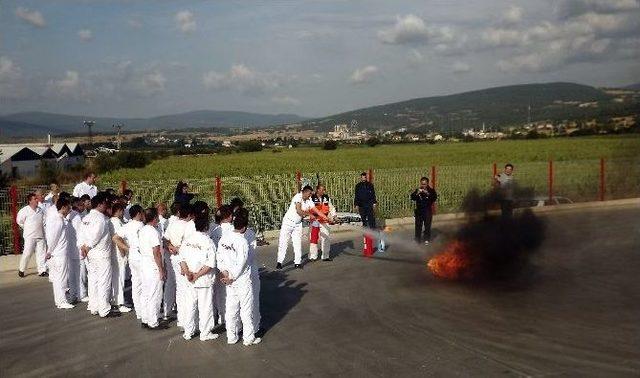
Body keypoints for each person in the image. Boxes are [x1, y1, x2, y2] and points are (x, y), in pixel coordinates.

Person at [217, 209, 261, 346]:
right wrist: (232, 276)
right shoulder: (242, 242)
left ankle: (231, 337)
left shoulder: (225, 238)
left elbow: (219, 257)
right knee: (246, 309)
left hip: (229, 279)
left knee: (231, 309)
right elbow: (242, 262)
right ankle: (248, 338)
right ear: (244, 227)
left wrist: (224, 272)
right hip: (241, 280)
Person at [179, 215, 219, 341]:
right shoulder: (208, 242)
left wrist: (188, 273)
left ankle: (188, 332)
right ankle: (205, 333)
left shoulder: (187, 240)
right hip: (203, 279)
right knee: (205, 306)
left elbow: (182, 259)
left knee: (190, 305)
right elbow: (210, 264)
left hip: (190, 279)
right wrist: (196, 275)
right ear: (206, 227)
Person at [79, 192, 118, 318]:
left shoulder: (85, 218)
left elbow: (80, 236)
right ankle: (104, 309)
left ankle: (94, 306)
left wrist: (83, 248)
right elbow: (96, 235)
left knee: (93, 280)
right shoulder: (100, 218)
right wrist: (87, 246)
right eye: (105, 204)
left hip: (90, 254)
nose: (106, 206)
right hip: (101, 254)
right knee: (104, 281)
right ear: (100, 204)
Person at [276, 185, 327, 270]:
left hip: (298, 224)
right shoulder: (297, 197)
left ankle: (297, 263)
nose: (310, 195)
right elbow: (299, 211)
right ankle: (279, 262)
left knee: (297, 243)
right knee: (283, 243)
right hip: (288, 223)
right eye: (309, 194)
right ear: (305, 192)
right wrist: (309, 214)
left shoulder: (309, 200)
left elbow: (317, 211)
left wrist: (326, 218)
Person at [113, 205, 145, 320]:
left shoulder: (127, 226)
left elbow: (115, 238)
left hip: (132, 258)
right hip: (142, 258)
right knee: (144, 285)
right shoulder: (142, 226)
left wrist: (128, 249)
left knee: (136, 284)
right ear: (138, 213)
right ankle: (145, 312)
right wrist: (128, 248)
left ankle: (139, 312)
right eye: (142, 212)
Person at [139, 207, 167, 330]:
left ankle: (146, 318)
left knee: (146, 293)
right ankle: (153, 321)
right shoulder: (153, 232)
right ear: (155, 218)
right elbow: (156, 252)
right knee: (155, 294)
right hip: (153, 264)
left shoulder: (143, 230)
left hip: (144, 263)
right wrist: (161, 269)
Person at [164, 203, 191, 328]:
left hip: (174, 258)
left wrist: (170, 247)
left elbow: (165, 239)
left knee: (180, 289)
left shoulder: (173, 224)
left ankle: (182, 319)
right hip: (184, 259)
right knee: (187, 289)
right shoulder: (189, 226)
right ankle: (187, 321)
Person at [44, 197, 74, 309]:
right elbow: (53, 237)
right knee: (61, 277)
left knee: (57, 278)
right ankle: (62, 301)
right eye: (68, 207)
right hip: (59, 253)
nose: (70, 209)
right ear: (63, 207)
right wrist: (49, 251)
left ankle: (60, 300)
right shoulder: (57, 220)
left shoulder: (58, 219)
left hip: (57, 252)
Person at [209, 204, 234, 326]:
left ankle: (218, 316)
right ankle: (227, 319)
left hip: (216, 265)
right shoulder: (232, 229)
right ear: (229, 216)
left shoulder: (213, 229)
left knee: (217, 293)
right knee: (229, 294)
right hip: (229, 266)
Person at [16, 193, 47, 277]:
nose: (37, 200)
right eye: (35, 199)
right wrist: (26, 228)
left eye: (37, 198)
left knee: (41, 253)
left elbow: (44, 221)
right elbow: (19, 221)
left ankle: (42, 270)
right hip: (30, 236)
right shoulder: (24, 210)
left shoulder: (40, 210)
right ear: (30, 201)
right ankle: (22, 269)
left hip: (40, 235)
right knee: (27, 253)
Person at [109, 203, 131, 313]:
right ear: (118, 210)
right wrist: (123, 251)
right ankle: (119, 302)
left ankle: (115, 300)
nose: (123, 213)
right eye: (122, 211)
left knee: (115, 278)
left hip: (114, 254)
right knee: (120, 278)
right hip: (119, 254)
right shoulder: (117, 222)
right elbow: (119, 239)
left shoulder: (111, 221)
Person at [309, 184, 336, 262]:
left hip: (324, 221)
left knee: (326, 238)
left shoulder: (326, 198)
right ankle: (313, 256)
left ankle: (325, 256)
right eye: (322, 189)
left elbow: (331, 207)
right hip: (315, 221)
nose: (323, 191)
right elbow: (308, 208)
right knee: (314, 239)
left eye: (324, 189)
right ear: (317, 190)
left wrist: (334, 216)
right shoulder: (311, 198)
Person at [410, 177, 438, 245]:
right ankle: (417, 239)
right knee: (418, 226)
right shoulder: (418, 190)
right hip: (419, 211)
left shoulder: (431, 190)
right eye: (422, 184)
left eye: (424, 184)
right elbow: (412, 197)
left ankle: (426, 239)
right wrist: (417, 193)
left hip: (427, 211)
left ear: (427, 184)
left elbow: (434, 198)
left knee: (427, 225)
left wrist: (427, 193)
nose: (423, 185)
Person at [66, 196, 84, 302]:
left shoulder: (72, 216)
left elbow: (78, 233)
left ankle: (77, 294)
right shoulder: (72, 216)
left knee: (75, 273)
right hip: (72, 249)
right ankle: (77, 294)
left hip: (73, 249)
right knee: (75, 274)